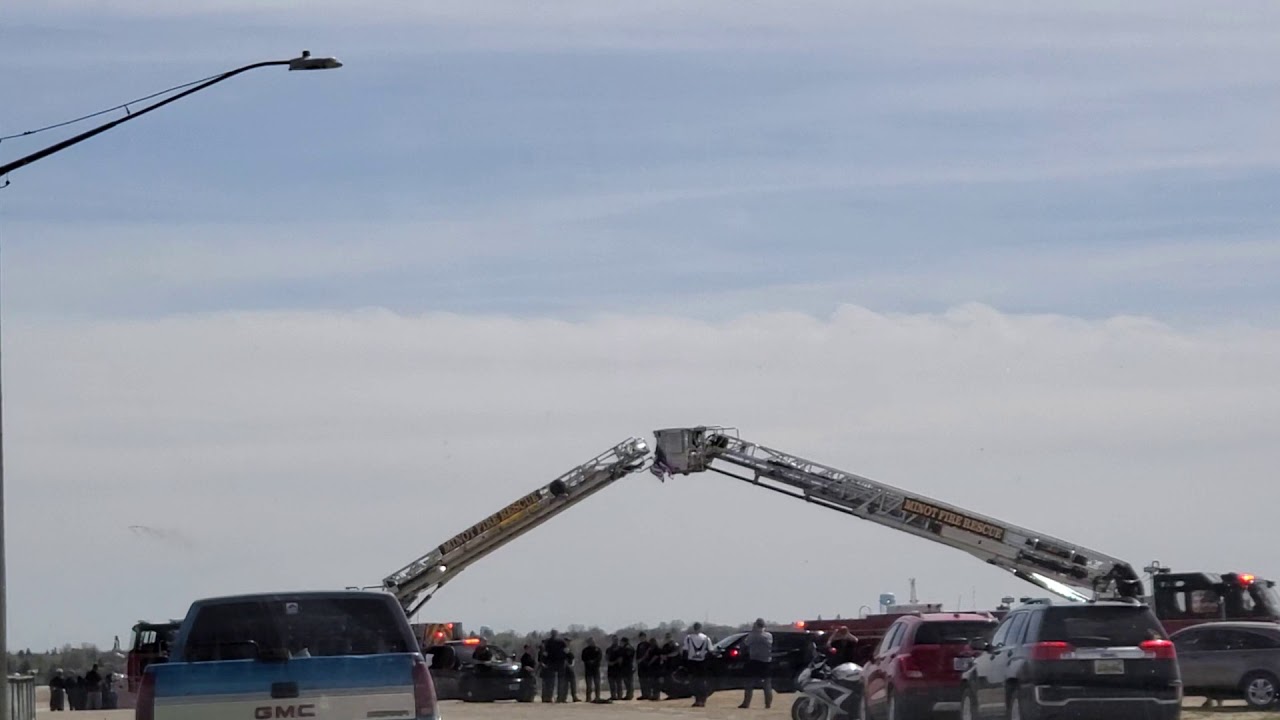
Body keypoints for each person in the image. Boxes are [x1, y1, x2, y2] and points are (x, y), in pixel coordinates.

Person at [739, 618, 774, 709]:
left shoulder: (753, 635)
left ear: (756, 625)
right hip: (766, 661)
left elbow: (745, 644)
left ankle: (746, 703)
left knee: (749, 683)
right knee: (767, 684)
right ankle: (768, 704)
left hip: (754, 661)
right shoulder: (769, 635)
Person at [682, 622, 715, 707]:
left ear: (694, 628)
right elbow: (711, 651)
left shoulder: (688, 638)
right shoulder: (706, 638)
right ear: (700, 628)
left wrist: (684, 664)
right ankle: (703, 700)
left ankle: (697, 700)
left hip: (692, 662)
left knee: (693, 682)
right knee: (702, 682)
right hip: (702, 662)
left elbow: (685, 650)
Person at [540, 629, 570, 703]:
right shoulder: (561, 642)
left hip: (552, 663)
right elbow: (566, 651)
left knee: (551, 681)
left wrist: (544, 661)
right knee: (560, 681)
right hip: (560, 662)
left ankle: (550, 697)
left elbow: (545, 653)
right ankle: (560, 698)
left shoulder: (548, 642)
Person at [581, 637, 604, 702]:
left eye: (593, 641)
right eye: (590, 641)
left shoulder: (598, 649)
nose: (592, 642)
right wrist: (589, 661)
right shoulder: (585, 650)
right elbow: (583, 658)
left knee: (597, 684)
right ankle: (588, 698)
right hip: (588, 670)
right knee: (589, 685)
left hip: (596, 669)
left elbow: (599, 657)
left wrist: (594, 661)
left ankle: (597, 697)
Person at [658, 632, 680, 700]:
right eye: (667, 637)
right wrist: (662, 657)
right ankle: (671, 694)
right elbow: (662, 653)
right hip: (667, 666)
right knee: (667, 680)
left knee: (673, 680)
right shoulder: (665, 646)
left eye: (669, 637)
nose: (668, 638)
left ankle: (675, 694)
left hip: (674, 665)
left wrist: (667, 655)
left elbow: (676, 653)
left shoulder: (675, 645)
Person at [635, 632, 654, 701]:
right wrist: (637, 661)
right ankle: (644, 694)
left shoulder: (648, 645)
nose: (641, 638)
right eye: (640, 637)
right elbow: (637, 655)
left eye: (642, 637)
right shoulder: (639, 645)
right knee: (641, 680)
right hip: (640, 665)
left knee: (647, 680)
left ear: (645, 637)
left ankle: (649, 694)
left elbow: (648, 654)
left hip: (647, 664)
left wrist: (642, 659)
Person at [605, 635, 624, 701]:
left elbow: (620, 659)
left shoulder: (621, 649)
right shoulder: (609, 649)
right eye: (614, 640)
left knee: (619, 683)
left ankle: (619, 696)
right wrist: (609, 662)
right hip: (610, 669)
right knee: (612, 684)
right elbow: (606, 658)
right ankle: (613, 696)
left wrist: (614, 662)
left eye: (616, 640)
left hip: (618, 668)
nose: (615, 641)